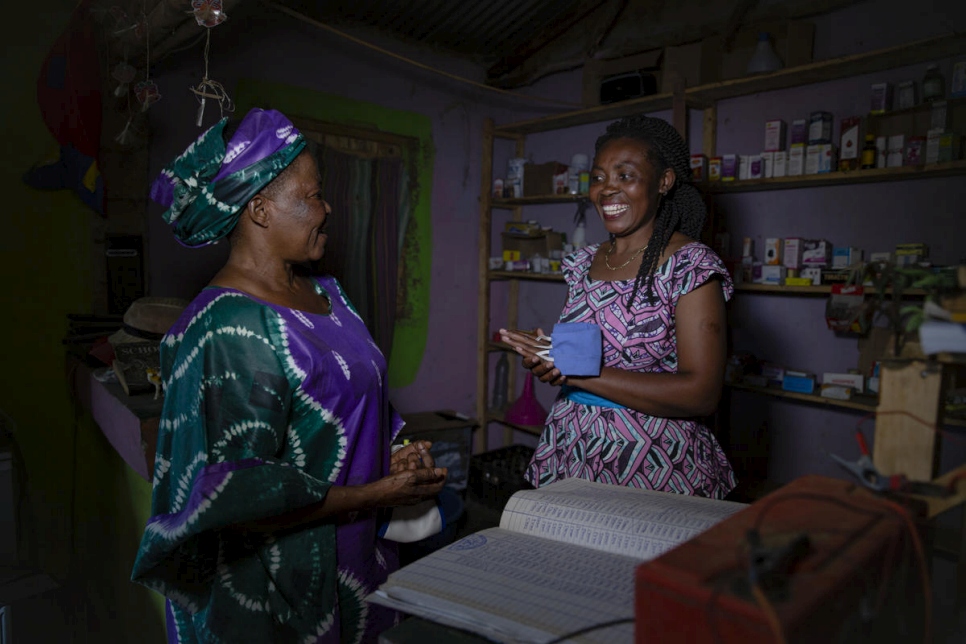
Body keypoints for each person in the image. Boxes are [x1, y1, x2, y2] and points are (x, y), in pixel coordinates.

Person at [131, 108, 447, 643]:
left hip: (359, 558)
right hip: (282, 586)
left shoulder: (329, 294)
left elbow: (351, 405)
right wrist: (374, 492)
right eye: (313, 196)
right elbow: (239, 502)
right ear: (259, 209)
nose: (327, 209)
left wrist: (393, 455)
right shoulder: (228, 328)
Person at [500, 114, 735, 499]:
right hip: (572, 450)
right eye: (598, 177)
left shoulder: (690, 265)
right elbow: (585, 352)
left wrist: (575, 372)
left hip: (653, 463)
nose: (606, 190)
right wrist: (550, 356)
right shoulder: (583, 262)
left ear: (664, 181)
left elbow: (701, 393)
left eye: (625, 176)